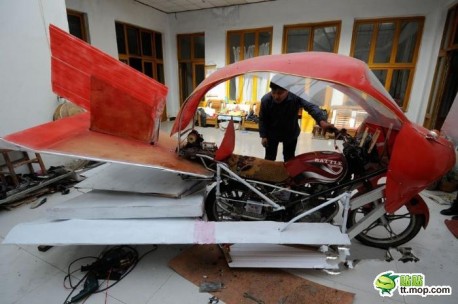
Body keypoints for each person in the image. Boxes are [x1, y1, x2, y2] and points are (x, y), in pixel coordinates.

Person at [259, 77, 334, 161]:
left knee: (290, 159)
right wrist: (263, 136)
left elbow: (311, 106)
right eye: (273, 92)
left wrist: (322, 121)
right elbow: (262, 119)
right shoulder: (266, 100)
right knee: (269, 158)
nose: (276, 96)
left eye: (280, 93)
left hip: (290, 133)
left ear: (288, 90)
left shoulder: (297, 95)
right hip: (272, 134)